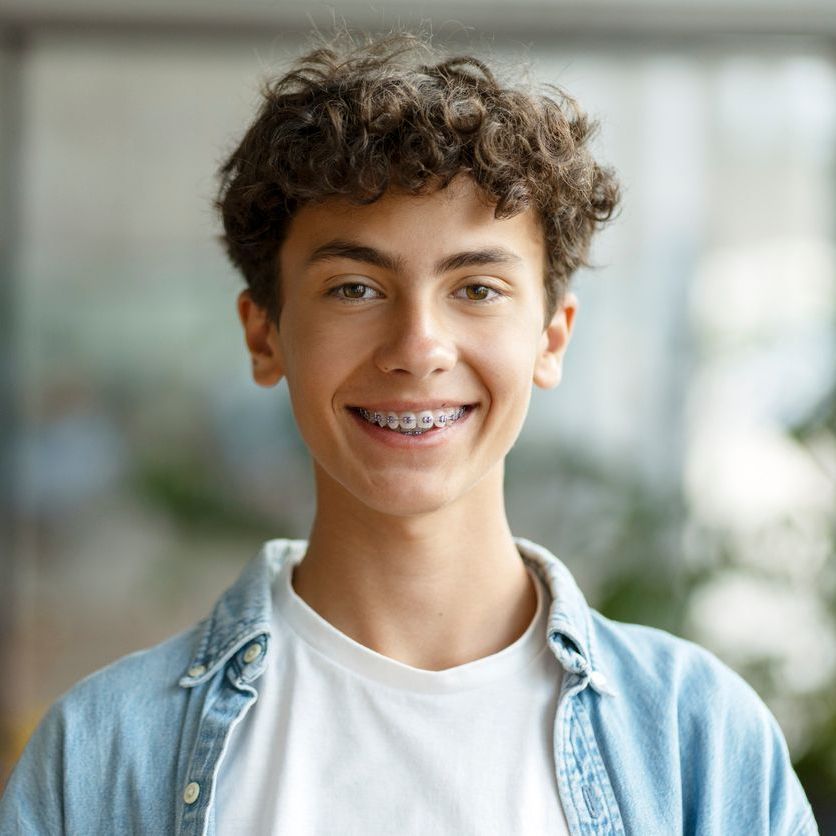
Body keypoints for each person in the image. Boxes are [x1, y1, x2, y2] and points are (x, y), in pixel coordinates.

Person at [0, 29, 818, 836]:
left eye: (478, 288)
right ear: (264, 336)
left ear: (552, 337)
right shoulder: (100, 756)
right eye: (355, 288)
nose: (418, 349)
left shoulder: (696, 738)